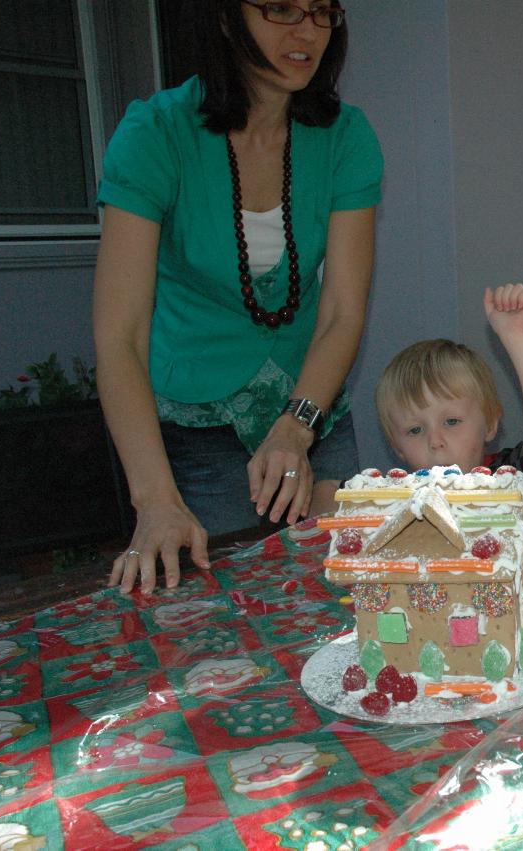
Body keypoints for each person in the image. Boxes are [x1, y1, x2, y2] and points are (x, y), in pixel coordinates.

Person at [93, 0, 383, 594]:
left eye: (323, 11)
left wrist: (298, 427)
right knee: (223, 618)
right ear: (225, 16)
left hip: (312, 409)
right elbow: (119, 338)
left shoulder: (347, 137)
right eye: (281, 8)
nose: (308, 30)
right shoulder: (155, 135)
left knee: (348, 600)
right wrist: (154, 499)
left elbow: (342, 312)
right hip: (199, 432)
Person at [376, 284, 523, 520]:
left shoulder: (508, 478)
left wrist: (516, 336)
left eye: (451, 421)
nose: (435, 441)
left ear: (489, 424)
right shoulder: (392, 506)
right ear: (397, 447)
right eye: (415, 430)